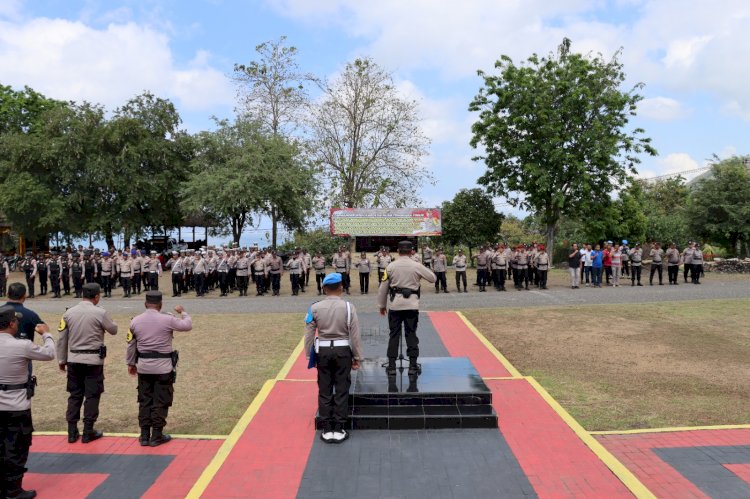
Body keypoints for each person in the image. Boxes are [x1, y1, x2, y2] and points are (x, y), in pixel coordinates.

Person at [0, 304, 56, 499]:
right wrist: (46, 334)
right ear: (11, 324)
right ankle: (13, 490)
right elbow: (49, 354)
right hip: (16, 406)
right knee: (16, 448)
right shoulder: (21, 345)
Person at [126, 291, 192, 447]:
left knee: (144, 400)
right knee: (161, 401)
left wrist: (130, 363)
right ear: (160, 305)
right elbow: (187, 325)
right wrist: (183, 312)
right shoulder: (167, 319)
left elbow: (131, 345)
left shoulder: (135, 321)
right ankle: (156, 435)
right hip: (163, 368)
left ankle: (144, 436)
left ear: (145, 304)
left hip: (143, 366)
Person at [304, 273, 363, 444]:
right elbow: (356, 334)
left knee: (324, 387)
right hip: (342, 350)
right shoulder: (348, 307)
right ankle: (339, 427)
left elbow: (309, 333)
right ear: (341, 288)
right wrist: (358, 356)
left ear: (323, 289)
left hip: (322, 350)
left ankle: (326, 427)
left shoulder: (314, 307)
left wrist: (309, 354)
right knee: (342, 387)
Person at [57, 283, 118, 444]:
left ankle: (71, 431)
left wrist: (62, 360)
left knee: (75, 394)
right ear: (96, 296)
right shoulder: (100, 312)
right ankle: (88, 431)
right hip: (93, 360)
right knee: (92, 395)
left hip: (74, 359)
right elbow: (113, 330)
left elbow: (62, 339)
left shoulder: (68, 313)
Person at [377, 241, 436, 376]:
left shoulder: (390, 266)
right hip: (412, 306)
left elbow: (383, 288)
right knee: (411, 334)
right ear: (411, 252)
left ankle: (391, 366)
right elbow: (433, 278)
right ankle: (413, 366)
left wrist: (382, 305)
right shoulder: (416, 265)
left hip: (395, 306)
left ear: (398, 251)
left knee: (394, 335)